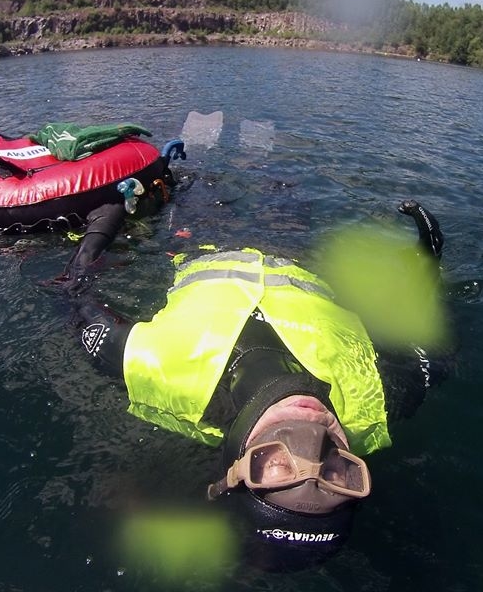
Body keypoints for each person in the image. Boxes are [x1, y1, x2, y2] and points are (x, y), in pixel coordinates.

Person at [62, 198, 446, 571]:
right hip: (299, 252)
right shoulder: (382, 401)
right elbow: (430, 344)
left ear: (233, 468)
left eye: (277, 466)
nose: (312, 440)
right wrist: (425, 265)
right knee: (283, 193)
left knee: (207, 191)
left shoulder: (155, 372)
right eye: (333, 475)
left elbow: (76, 290)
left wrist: (104, 224)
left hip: (201, 237)